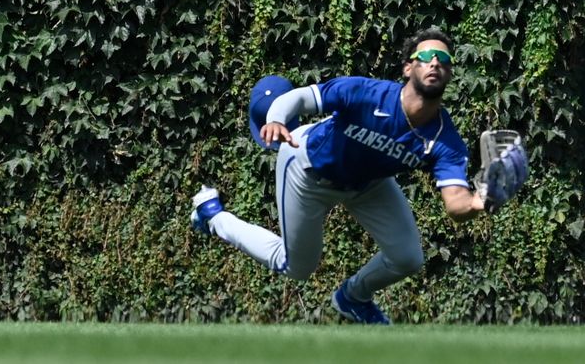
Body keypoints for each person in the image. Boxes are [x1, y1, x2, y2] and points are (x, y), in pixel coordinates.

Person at [190, 27, 487, 324]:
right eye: (425, 56)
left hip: (369, 184)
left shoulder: (445, 139)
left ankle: (353, 297)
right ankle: (213, 215)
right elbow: (299, 98)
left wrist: (479, 201)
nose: (434, 62)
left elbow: (456, 203)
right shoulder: (366, 94)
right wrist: (276, 119)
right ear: (408, 68)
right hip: (308, 170)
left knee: (408, 258)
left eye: (442, 58)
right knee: (296, 267)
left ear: (449, 72)